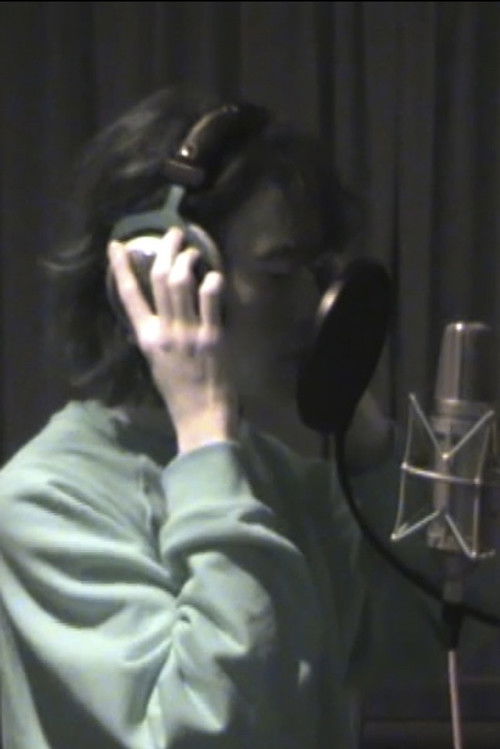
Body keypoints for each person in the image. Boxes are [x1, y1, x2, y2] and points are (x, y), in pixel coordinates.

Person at [0, 85, 478, 749]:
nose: (313, 303)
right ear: (165, 278)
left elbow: (424, 639)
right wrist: (206, 440)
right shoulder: (45, 506)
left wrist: (366, 440)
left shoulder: (280, 484)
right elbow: (215, 728)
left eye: (317, 272)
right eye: (281, 272)